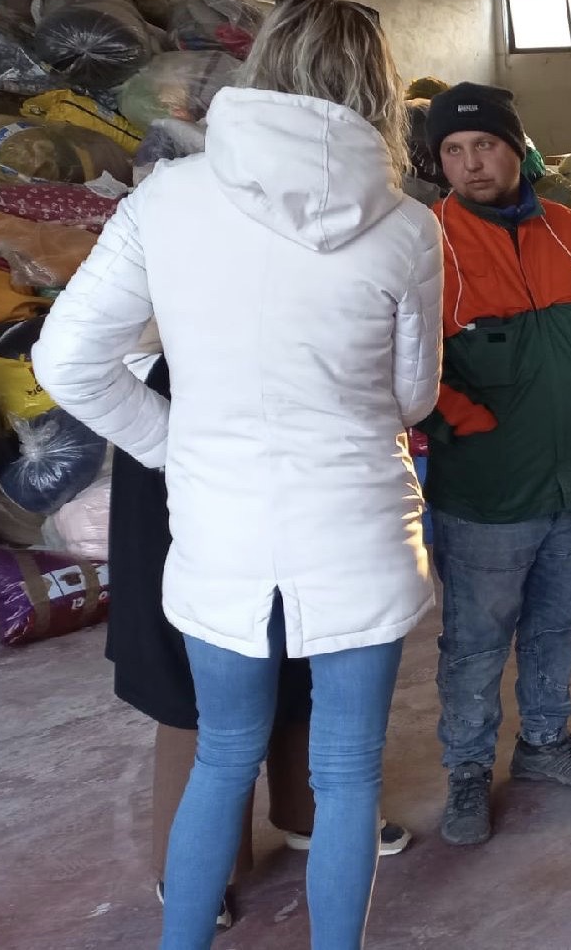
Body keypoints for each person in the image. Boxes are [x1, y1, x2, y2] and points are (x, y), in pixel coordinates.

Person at [33, 0, 443, 947]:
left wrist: (172, 442)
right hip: (358, 528)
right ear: (377, 86)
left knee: (221, 754)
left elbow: (66, 361)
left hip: (220, 531)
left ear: (265, 62)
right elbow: (412, 395)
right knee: (348, 772)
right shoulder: (408, 227)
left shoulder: (166, 200)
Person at [106, 350, 411, 933]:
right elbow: (72, 358)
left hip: (306, 403)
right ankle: (202, 874)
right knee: (201, 673)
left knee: (312, 630)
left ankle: (308, 813)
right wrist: (165, 442)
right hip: (195, 408)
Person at [416, 82, 571, 845]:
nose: (472, 163)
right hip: (486, 489)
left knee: (556, 625)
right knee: (475, 641)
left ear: (516, 148)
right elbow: (397, 353)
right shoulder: (428, 243)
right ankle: (467, 771)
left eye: (485, 145)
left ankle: (543, 741)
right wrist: (452, 413)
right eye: (454, 151)